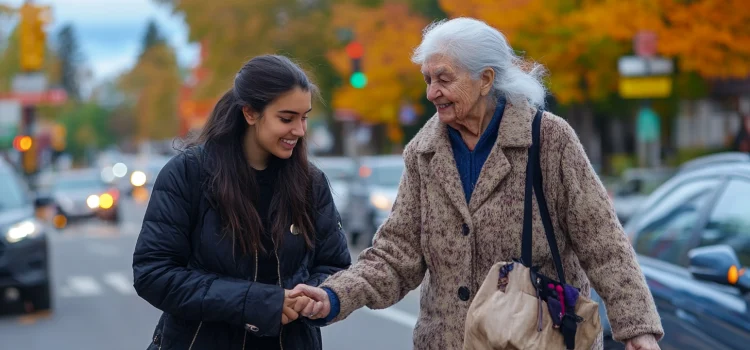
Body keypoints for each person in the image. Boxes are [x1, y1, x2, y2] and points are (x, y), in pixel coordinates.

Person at [291, 18, 663, 350]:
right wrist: (334, 295)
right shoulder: (423, 154)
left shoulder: (548, 139)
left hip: (536, 339)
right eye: (428, 80)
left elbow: (602, 241)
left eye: (443, 78)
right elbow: (396, 255)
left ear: (485, 79)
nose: (431, 92)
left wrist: (637, 328)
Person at [132, 55, 351, 350]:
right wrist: (255, 302)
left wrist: (314, 296)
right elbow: (153, 273)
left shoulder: (310, 182)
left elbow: (334, 263)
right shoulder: (188, 174)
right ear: (250, 113)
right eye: (286, 119)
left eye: (304, 117)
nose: (299, 131)